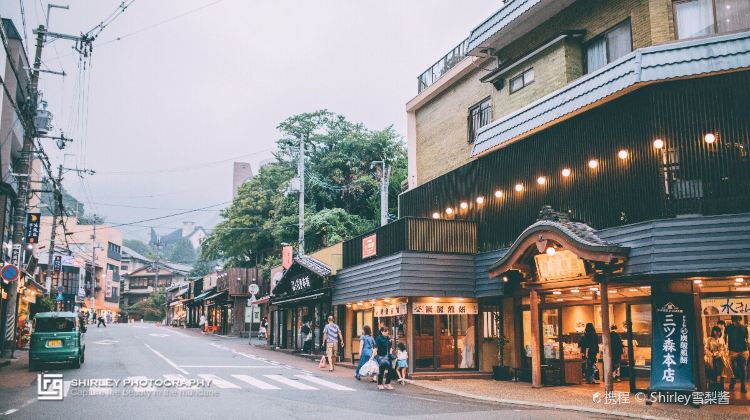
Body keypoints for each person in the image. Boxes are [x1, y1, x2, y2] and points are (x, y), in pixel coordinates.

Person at [724, 315, 749, 392]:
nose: (737, 321)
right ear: (732, 321)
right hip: (732, 350)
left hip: (743, 350)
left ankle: (743, 385)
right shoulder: (728, 328)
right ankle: (733, 381)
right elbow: (725, 337)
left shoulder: (744, 327)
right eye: (735, 320)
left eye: (739, 320)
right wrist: (725, 347)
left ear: (740, 320)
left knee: (743, 368)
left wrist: (748, 346)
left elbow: (747, 338)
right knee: (732, 368)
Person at [705, 326, 731, 391]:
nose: (717, 333)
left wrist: (725, 353)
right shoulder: (709, 339)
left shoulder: (721, 339)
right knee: (713, 373)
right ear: (713, 331)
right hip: (713, 358)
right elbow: (706, 348)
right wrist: (711, 354)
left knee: (722, 373)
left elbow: (725, 348)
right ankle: (713, 388)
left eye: (719, 331)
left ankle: (721, 388)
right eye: (716, 331)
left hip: (722, 358)